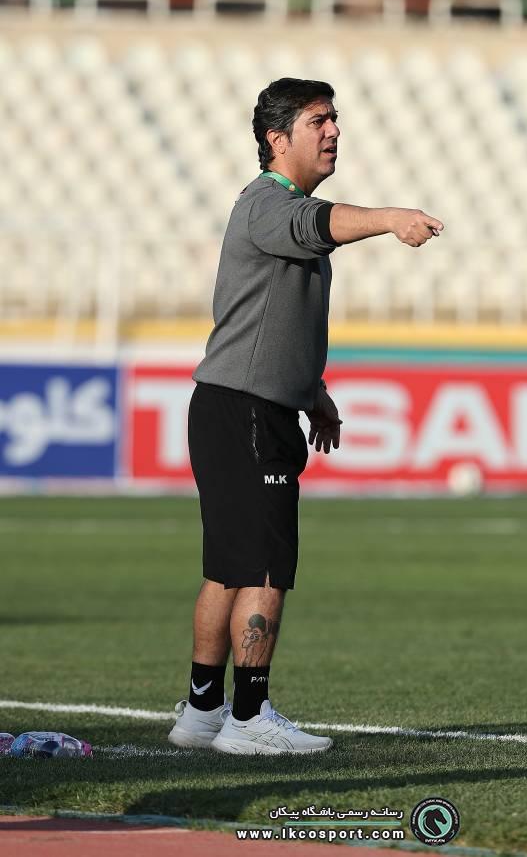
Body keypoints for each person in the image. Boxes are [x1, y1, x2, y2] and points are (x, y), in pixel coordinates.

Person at [168, 77, 443, 755]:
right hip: (247, 412)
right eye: (318, 120)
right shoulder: (271, 203)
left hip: (238, 403)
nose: (334, 131)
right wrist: (391, 217)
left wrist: (311, 389)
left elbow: (270, 316)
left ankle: (202, 710)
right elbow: (318, 225)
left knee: (228, 569)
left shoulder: (269, 206)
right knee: (265, 569)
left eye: (334, 118)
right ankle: (248, 717)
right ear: (276, 138)